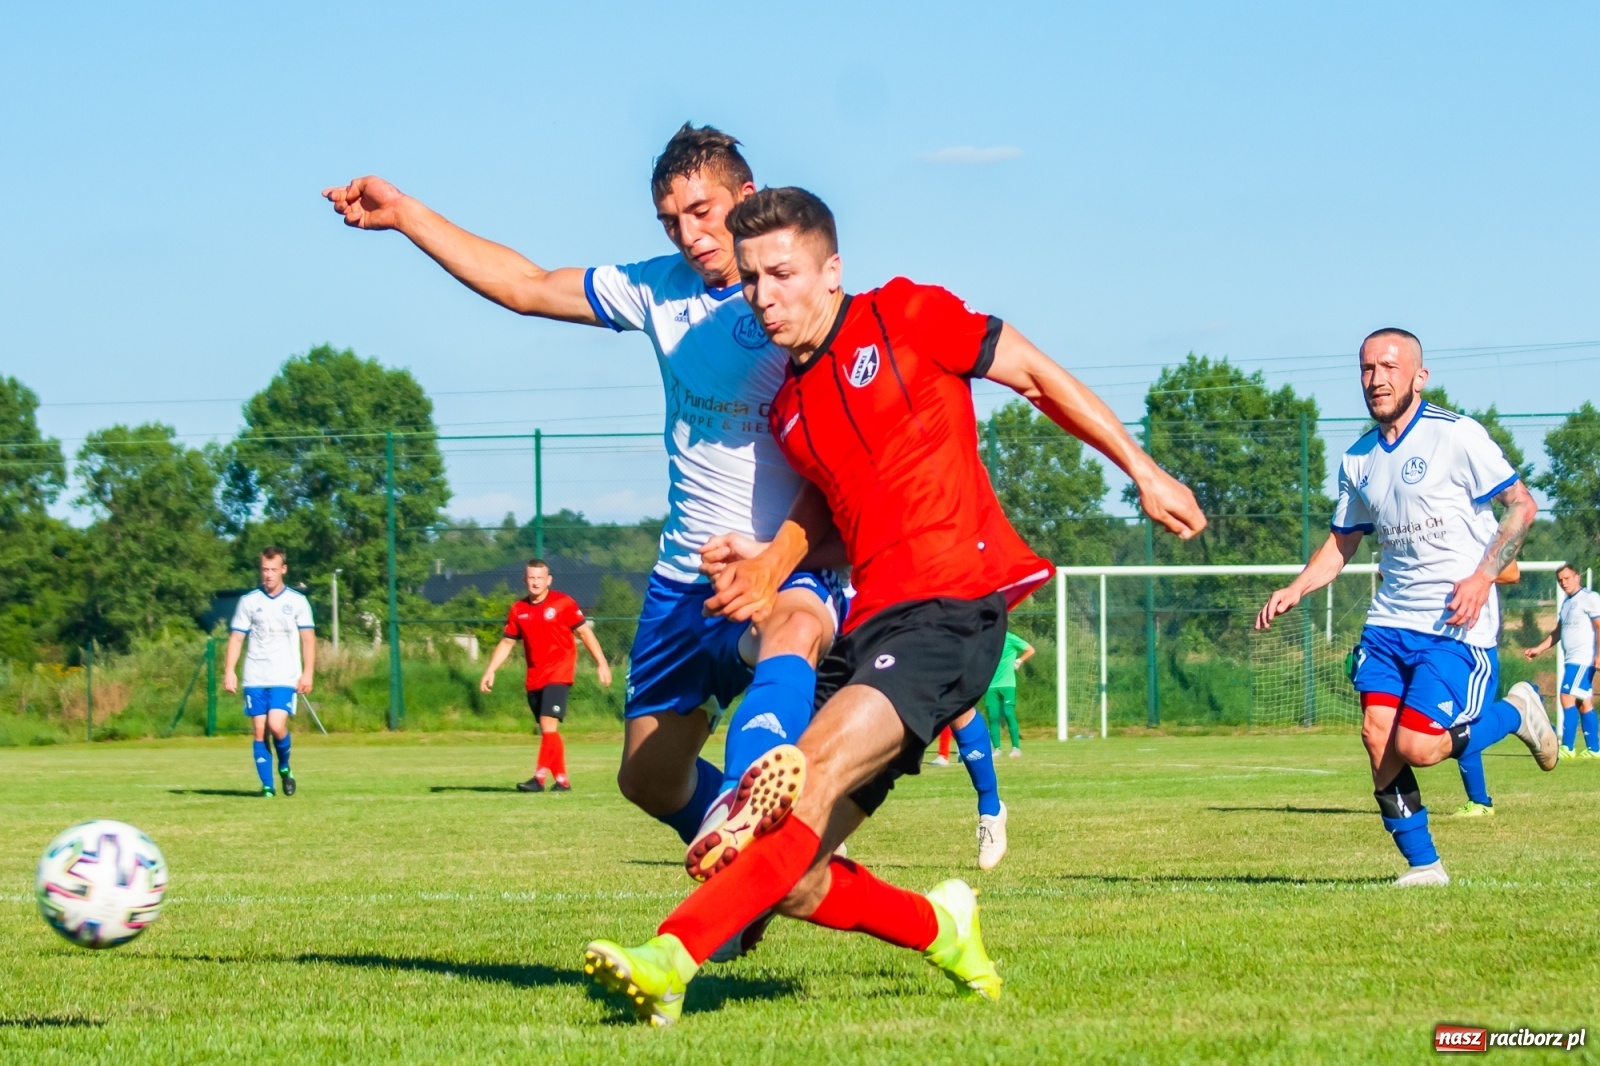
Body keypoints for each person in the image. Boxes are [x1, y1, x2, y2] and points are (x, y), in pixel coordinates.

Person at [582, 186, 1206, 1025]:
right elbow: (840, 530)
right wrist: (768, 560)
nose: (766, 297)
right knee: (793, 873)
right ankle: (941, 926)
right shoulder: (789, 412)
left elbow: (1031, 372)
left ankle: (672, 954)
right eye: (755, 279)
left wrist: (1141, 467)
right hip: (874, 622)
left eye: (785, 274)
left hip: (953, 610)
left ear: (831, 270)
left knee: (802, 785)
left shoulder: (907, 314)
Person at [324, 126, 845, 892]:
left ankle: (747, 819)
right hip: (681, 579)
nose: (690, 234)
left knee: (794, 628)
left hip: (779, 558)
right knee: (649, 778)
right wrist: (405, 214)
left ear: (747, 197)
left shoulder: (798, 305)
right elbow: (528, 286)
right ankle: (773, 855)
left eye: (701, 211)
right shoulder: (658, 288)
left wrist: (780, 558)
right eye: (671, 220)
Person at [1257, 328, 1556, 887]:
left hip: (1456, 624)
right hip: (1390, 621)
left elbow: (1522, 505)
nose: (1377, 378)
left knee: (1417, 746)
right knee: (1377, 738)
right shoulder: (1358, 458)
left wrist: (1482, 576)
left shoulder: (1457, 435)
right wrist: (1296, 587)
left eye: (1390, 367)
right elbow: (1344, 540)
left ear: (1419, 376)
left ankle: (1517, 712)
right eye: (1368, 368)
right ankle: (1425, 867)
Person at [479, 559, 612, 791]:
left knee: (547, 723)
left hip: (559, 673)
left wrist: (601, 663)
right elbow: (507, 642)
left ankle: (538, 778)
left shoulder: (563, 603)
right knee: (548, 730)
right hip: (534, 677)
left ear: (548, 580)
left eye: (540, 578)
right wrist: (490, 669)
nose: (535, 582)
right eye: (531, 577)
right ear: (524, 580)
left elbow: (584, 633)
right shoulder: (518, 609)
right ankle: (562, 781)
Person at [223, 547, 315, 798]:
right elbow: (236, 638)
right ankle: (267, 787)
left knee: (276, 725)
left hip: (285, 676)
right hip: (255, 676)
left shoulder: (297, 601)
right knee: (260, 730)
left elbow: (308, 639)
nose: (269, 575)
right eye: (265, 569)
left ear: (283, 569)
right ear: (260, 569)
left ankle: (284, 766)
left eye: (274, 569)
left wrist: (308, 673)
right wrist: (229, 670)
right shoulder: (249, 601)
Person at [1523, 563, 1600, 759]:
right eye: (1560, 580)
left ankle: (1567, 747)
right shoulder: (1567, 604)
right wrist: (1538, 649)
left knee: (1566, 696)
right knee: (1583, 702)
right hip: (1572, 659)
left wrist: (1599, 654)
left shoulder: (1589, 598)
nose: (1563, 582)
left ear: (1577, 577)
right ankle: (1594, 750)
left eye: (1567, 578)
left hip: (1583, 658)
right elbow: (1557, 632)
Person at [986, 630, 1034, 758]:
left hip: (1007, 684)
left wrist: (1019, 660)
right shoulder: (986, 638)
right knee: (993, 716)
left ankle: (1016, 748)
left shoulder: (1010, 638)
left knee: (1008, 713)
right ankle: (997, 749)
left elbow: (1030, 650)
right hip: (991, 685)